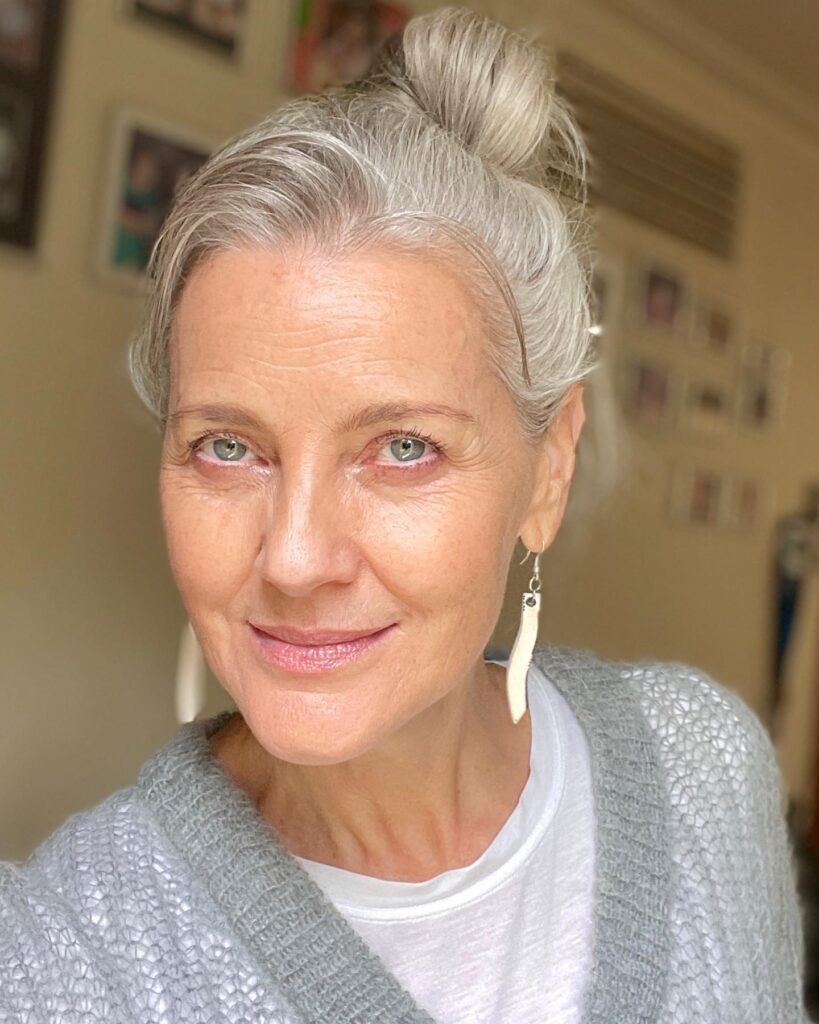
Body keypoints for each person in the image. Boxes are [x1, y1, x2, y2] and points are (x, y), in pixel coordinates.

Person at [0, 7, 809, 1022]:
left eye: (402, 448)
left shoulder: (704, 767)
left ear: (548, 469)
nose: (294, 558)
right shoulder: (65, 951)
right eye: (229, 445)